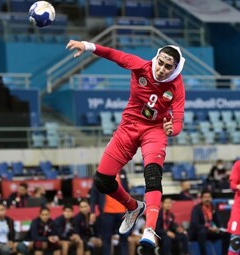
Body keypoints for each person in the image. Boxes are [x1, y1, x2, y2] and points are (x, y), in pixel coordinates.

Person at [66, 38, 185, 247]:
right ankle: (132, 207)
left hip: (155, 131)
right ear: (156, 58)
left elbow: (179, 118)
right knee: (102, 181)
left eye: (168, 66)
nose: (163, 69)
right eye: (161, 62)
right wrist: (88, 46)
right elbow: (113, 54)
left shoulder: (176, 85)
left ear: (175, 68)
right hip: (129, 127)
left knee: (153, 175)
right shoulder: (140, 65)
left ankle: (149, 230)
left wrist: (171, 130)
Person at [89, 169, 130, 255]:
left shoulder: (122, 172)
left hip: (122, 211)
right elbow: (94, 193)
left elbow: (126, 190)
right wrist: (92, 211)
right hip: (107, 212)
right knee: (106, 239)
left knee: (124, 238)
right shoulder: (99, 173)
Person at [188, 189, 222, 255]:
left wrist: (219, 228)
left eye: (209, 197)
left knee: (226, 233)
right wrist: (208, 228)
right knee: (202, 232)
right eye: (205, 197)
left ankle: (225, 252)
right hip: (197, 233)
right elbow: (195, 224)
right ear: (201, 199)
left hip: (210, 231)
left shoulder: (213, 208)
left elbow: (218, 222)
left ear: (211, 198)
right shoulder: (196, 208)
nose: (207, 199)